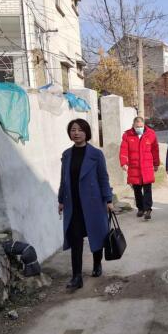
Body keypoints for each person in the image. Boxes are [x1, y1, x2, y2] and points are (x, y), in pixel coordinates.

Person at [58, 119, 114, 291]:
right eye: (73, 130)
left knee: (96, 235)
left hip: (93, 203)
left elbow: (103, 178)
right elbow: (63, 179)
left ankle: (97, 263)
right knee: (75, 239)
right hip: (73, 204)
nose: (76, 133)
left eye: (80, 130)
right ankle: (76, 277)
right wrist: (61, 200)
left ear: (86, 133)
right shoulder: (67, 155)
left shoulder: (96, 154)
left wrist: (108, 200)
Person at [120, 117, 160, 220]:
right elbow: (123, 150)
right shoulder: (127, 135)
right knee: (137, 190)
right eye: (137, 126)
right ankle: (140, 208)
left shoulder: (151, 134)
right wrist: (124, 162)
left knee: (147, 189)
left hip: (147, 167)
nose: (139, 128)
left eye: (141, 126)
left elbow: (155, 150)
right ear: (133, 125)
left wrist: (156, 164)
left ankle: (148, 209)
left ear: (144, 125)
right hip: (134, 167)